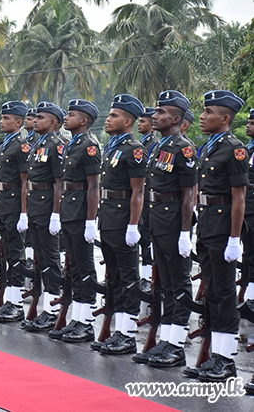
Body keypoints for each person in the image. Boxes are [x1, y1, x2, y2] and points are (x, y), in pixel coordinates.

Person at [184, 90, 246, 381]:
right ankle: (214, 356)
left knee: (223, 294)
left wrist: (234, 238)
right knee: (212, 294)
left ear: (224, 118)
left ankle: (226, 359)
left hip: (223, 230)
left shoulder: (234, 148)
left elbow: (239, 198)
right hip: (208, 227)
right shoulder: (208, 147)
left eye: (208, 112)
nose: (202, 116)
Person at [132, 90, 196, 368]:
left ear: (176, 118)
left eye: (160, 112)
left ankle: (177, 345)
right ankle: (165, 340)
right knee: (166, 284)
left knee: (179, 283)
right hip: (158, 218)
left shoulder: (184, 147)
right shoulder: (159, 147)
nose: (154, 116)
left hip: (174, 221)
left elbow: (190, 194)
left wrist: (184, 232)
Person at [92, 94, 146, 355]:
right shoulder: (112, 147)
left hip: (124, 218)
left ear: (127, 121)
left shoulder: (133, 149)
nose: (108, 119)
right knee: (114, 276)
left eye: (114, 115)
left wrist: (133, 225)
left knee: (128, 277)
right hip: (109, 219)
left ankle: (128, 334)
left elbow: (138, 192)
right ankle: (117, 331)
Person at [49, 99, 101, 342]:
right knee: (74, 269)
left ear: (83, 121)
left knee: (85, 267)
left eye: (71, 115)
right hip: (70, 210)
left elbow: (93, 186)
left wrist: (91, 220)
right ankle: (77, 319)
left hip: (81, 212)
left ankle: (87, 322)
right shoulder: (72, 145)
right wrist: (58, 213)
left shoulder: (89, 145)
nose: (66, 118)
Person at [19, 101, 65, 331]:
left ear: (54, 123)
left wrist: (56, 214)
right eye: (35, 117)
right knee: (40, 260)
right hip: (36, 207)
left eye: (41, 117)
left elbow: (59, 183)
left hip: (48, 209)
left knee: (50, 260)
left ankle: (53, 308)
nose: (35, 120)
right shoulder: (39, 144)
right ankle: (45, 307)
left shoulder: (56, 145)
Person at [0, 101, 29, 322]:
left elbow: (25, 182)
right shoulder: (3, 145)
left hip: (15, 205)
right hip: (5, 204)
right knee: (9, 254)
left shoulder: (21, 146)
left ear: (18, 122)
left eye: (6, 119)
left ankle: (17, 304)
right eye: (1, 118)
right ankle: (9, 301)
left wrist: (23, 212)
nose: (1, 121)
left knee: (17, 255)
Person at [138, 108, 160, 286]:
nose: (139, 123)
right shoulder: (142, 143)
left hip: (147, 197)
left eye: (143, 121)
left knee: (147, 236)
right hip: (140, 196)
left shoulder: (154, 144)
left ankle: (147, 276)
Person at [240, 109, 254, 318]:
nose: (248, 125)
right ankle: (248, 298)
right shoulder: (248, 149)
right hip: (246, 210)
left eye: (252, 122)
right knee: (248, 255)